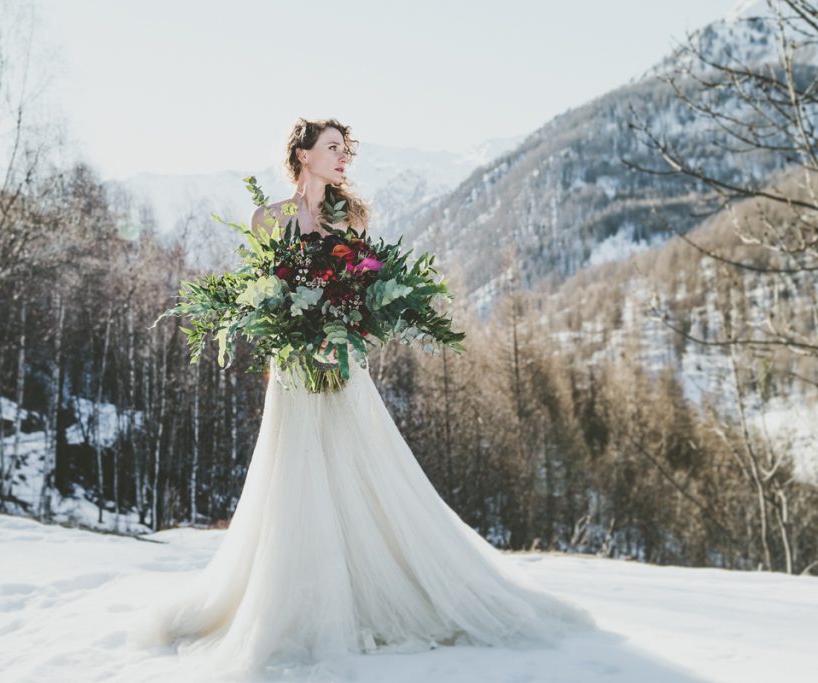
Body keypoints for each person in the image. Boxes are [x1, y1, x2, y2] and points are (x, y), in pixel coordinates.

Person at [135, 118, 595, 678]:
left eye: (345, 149)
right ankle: (295, 602)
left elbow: (362, 292)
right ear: (303, 156)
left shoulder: (350, 217)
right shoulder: (268, 219)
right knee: (295, 478)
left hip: (344, 366)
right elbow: (260, 301)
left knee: (362, 468)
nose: (342, 157)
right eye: (332, 148)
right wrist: (289, 342)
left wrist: (355, 332)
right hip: (292, 373)